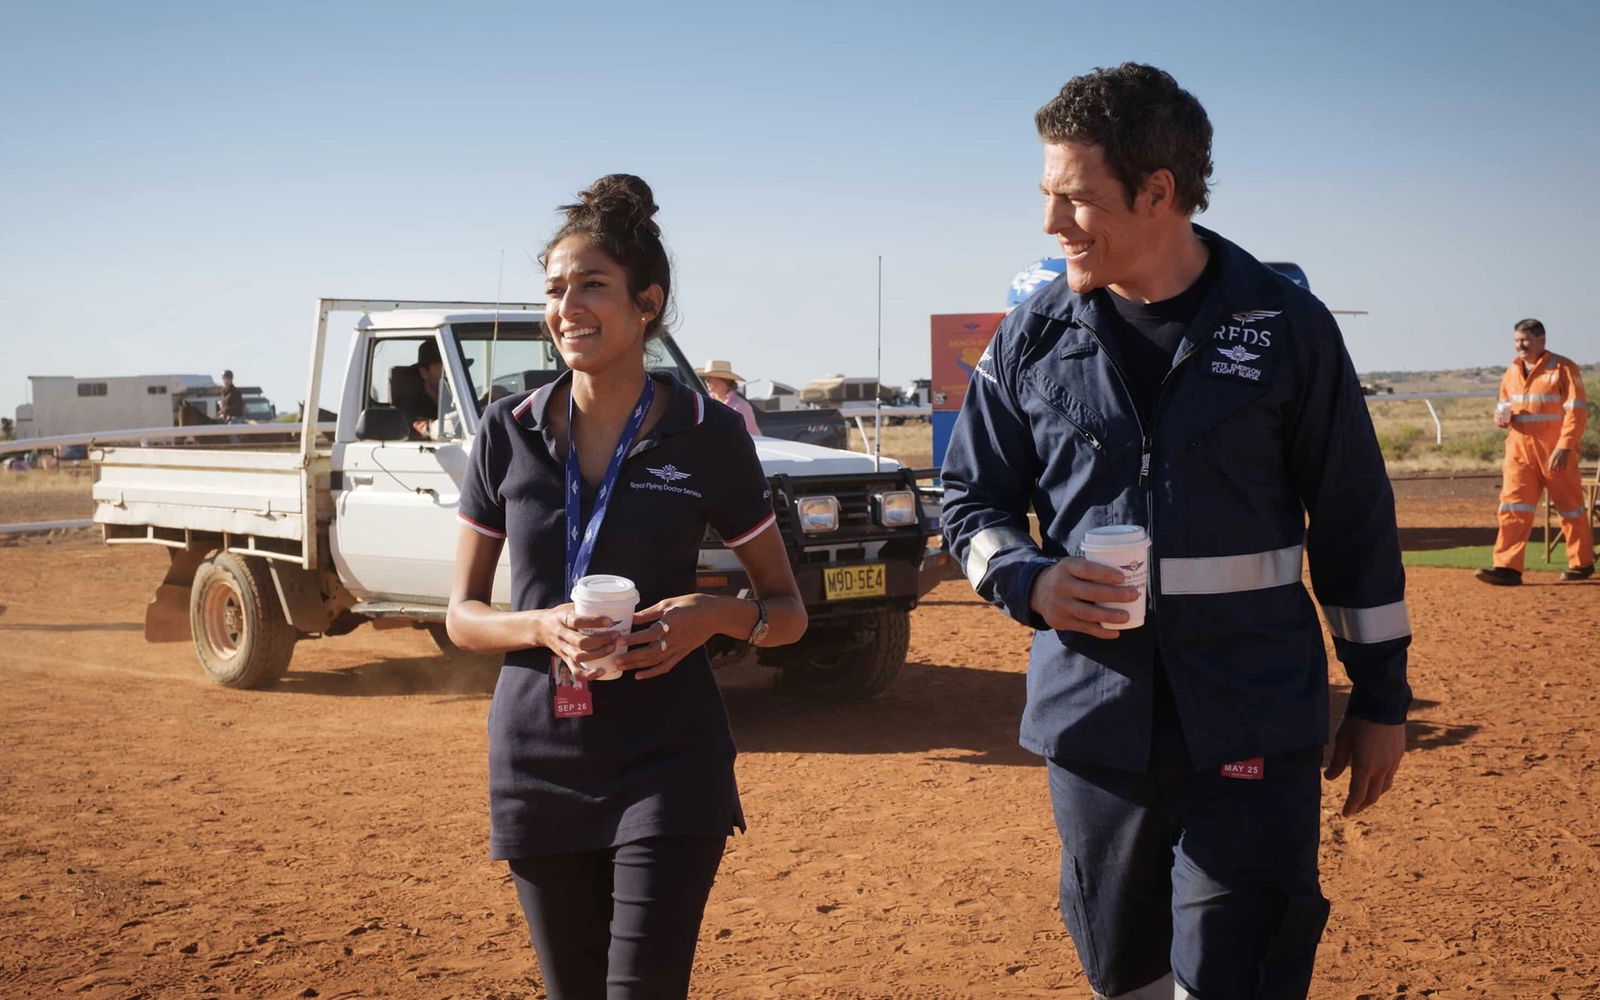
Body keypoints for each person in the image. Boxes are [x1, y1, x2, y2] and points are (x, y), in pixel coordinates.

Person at [940, 64, 1411, 999]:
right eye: (1046, 196)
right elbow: (969, 503)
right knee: (1126, 973)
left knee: (1240, 968)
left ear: (1159, 192)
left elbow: (1354, 520)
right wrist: (1028, 579)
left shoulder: (1288, 328)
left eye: (1073, 198)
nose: (1050, 223)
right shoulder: (1029, 337)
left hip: (1251, 709)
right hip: (1093, 718)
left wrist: (1382, 698)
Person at [445, 174, 806, 1000]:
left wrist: (712, 614)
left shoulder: (709, 434)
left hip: (667, 760)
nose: (567, 306)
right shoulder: (509, 430)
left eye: (591, 286)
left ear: (648, 303)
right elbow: (463, 615)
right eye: (555, 289)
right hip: (538, 753)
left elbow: (787, 615)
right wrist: (541, 628)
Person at [1476, 318, 1593, 585]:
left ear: (1541, 340)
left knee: (1570, 508)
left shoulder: (1564, 368)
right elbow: (1505, 405)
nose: (1520, 345)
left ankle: (1581, 563)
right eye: (1517, 340)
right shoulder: (1512, 371)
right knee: (1513, 507)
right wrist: (1501, 418)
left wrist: (1565, 446)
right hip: (1519, 453)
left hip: (1555, 452)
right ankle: (1507, 567)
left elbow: (1577, 410)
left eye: (1525, 340)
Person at [695, 359, 761, 435]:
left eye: (709, 377)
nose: (706, 381)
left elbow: (753, 437)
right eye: (706, 378)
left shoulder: (742, 407)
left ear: (723, 380)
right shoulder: (705, 402)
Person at [395, 340, 445, 438]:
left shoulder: (463, 406)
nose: (453, 376)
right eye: (444, 369)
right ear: (424, 373)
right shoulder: (410, 411)